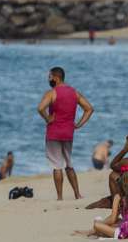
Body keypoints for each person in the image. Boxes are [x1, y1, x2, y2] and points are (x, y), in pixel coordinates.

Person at [36, 66, 93, 201]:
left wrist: (47, 118)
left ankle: (60, 197)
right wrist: (79, 124)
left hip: (54, 133)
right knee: (69, 164)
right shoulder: (74, 92)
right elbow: (89, 109)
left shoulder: (52, 93)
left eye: (49, 77)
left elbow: (40, 108)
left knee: (57, 166)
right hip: (68, 133)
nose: (48, 79)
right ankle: (77, 194)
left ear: (56, 78)